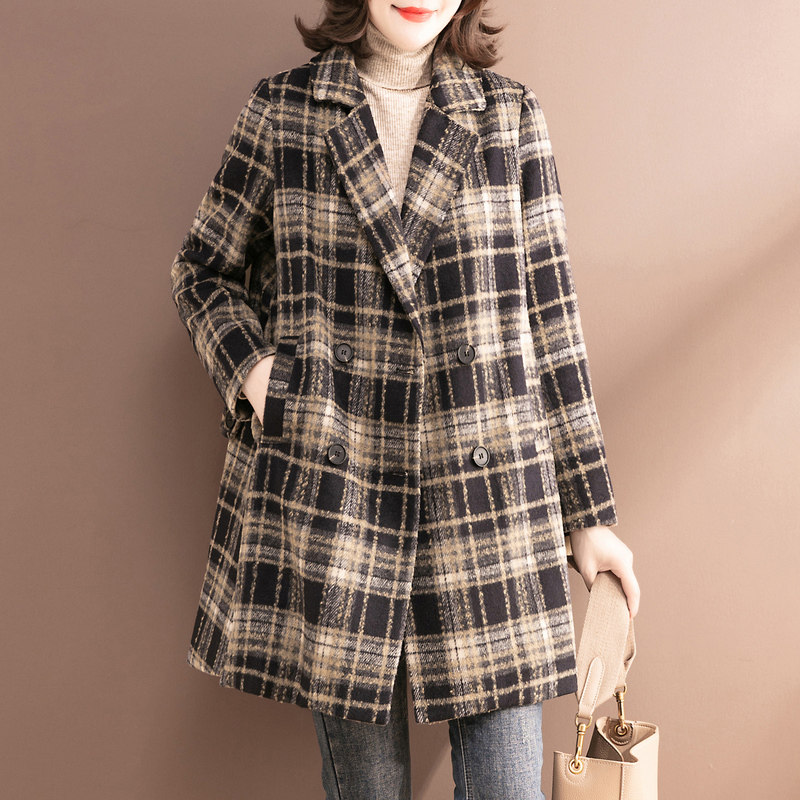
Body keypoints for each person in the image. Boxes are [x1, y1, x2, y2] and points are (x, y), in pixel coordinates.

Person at [170, 1, 640, 798]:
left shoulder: (509, 115)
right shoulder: (285, 109)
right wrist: (259, 378)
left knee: (507, 787)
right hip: (336, 497)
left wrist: (590, 514)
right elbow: (202, 271)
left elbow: (552, 321)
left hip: (486, 506)